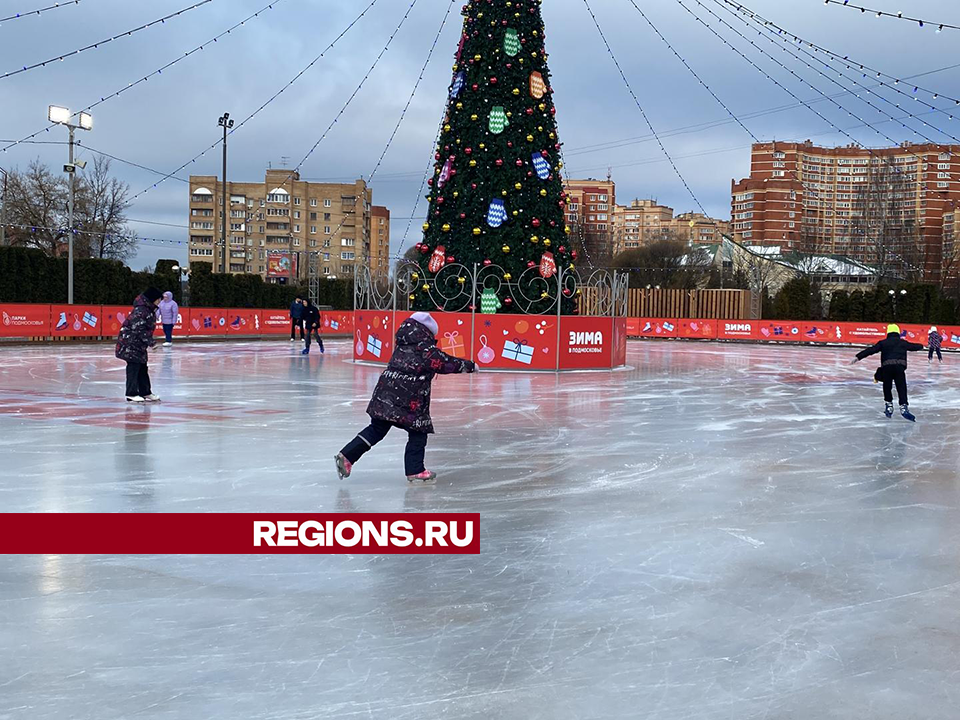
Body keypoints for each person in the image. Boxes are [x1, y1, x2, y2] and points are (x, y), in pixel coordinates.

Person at [335, 312, 476, 483]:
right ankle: (415, 470)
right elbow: (445, 363)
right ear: (427, 332)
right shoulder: (425, 349)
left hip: (385, 394)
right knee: (418, 431)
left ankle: (347, 455)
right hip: (409, 399)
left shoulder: (402, 344)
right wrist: (471, 366)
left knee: (377, 429)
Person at [852, 323, 923, 421]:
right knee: (901, 387)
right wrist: (921, 346)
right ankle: (903, 407)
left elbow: (871, 350)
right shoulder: (902, 343)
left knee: (887, 386)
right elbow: (914, 346)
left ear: (888, 332)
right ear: (898, 332)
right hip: (899, 367)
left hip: (887, 367)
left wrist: (858, 356)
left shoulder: (883, 343)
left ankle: (889, 405)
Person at [116, 287, 162, 402]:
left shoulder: (148, 309)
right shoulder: (141, 310)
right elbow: (139, 328)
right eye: (158, 299)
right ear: (153, 299)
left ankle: (145, 392)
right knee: (133, 368)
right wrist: (151, 342)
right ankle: (131, 393)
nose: (159, 302)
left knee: (142, 368)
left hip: (138, 345)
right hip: (129, 344)